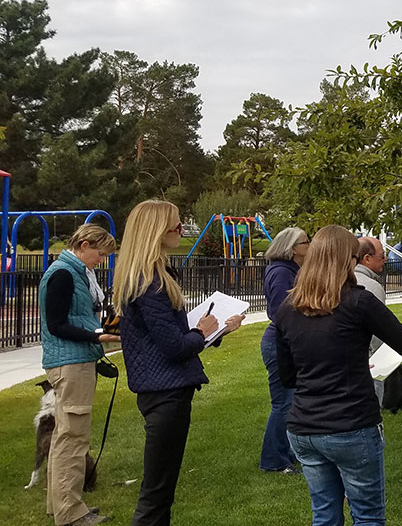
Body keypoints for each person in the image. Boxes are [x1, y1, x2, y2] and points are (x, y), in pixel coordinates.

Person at [273, 225, 402, 526]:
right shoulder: (358, 302)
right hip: (351, 424)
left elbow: (288, 377)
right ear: (349, 260)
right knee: (368, 516)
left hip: (305, 427)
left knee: (324, 515)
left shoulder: (288, 307)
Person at [113, 200, 246, 526]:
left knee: (161, 489)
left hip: (163, 389)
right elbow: (174, 346)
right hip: (165, 393)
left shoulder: (149, 275)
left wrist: (214, 332)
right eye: (174, 225)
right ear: (155, 230)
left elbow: (170, 337)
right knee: (156, 493)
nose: (180, 230)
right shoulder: (150, 282)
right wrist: (201, 331)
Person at [38, 224, 120, 526]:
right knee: (73, 438)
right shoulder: (63, 274)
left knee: (64, 436)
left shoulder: (71, 272)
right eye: (100, 253)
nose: (101, 259)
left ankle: (59, 505)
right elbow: (57, 324)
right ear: (84, 245)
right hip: (70, 364)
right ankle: (70, 513)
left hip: (73, 361)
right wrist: (97, 337)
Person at [259, 227, 309, 475]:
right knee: (283, 403)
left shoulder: (290, 271)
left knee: (289, 402)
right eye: (306, 242)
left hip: (284, 341)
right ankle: (274, 460)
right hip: (280, 343)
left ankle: (286, 454)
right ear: (292, 249)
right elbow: (281, 312)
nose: (309, 247)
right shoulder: (281, 272)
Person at [354, 237, 388, 402]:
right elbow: (378, 332)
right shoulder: (372, 287)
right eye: (382, 256)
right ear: (367, 258)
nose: (385, 260)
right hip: (369, 363)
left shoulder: (338, 281)